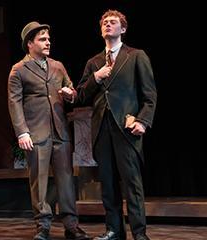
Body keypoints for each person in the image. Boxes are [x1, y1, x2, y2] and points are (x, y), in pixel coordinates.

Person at [76, 10, 157, 240]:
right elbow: (81, 95)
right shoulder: (94, 62)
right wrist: (96, 77)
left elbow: (149, 95)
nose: (108, 25)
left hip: (127, 127)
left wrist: (143, 120)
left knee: (132, 183)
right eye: (104, 23)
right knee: (108, 184)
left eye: (113, 22)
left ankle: (139, 233)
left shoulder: (136, 56)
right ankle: (114, 230)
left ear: (122, 29)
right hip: (101, 129)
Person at [8, 21, 91, 240]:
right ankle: (42, 225)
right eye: (42, 39)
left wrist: (69, 94)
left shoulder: (57, 66)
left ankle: (71, 225)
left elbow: (72, 90)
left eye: (48, 39)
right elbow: (14, 103)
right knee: (39, 179)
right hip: (36, 133)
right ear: (30, 43)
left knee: (66, 179)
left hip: (60, 131)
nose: (48, 43)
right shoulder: (19, 69)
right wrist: (22, 132)